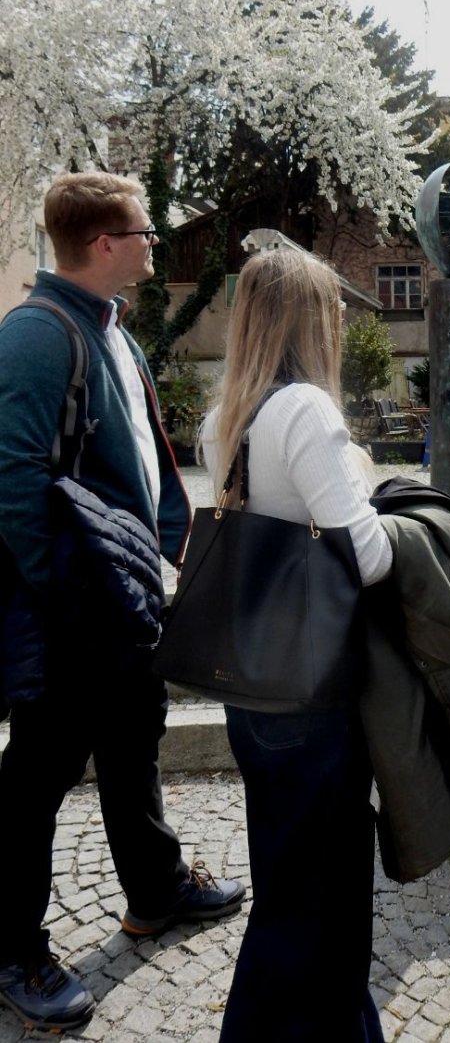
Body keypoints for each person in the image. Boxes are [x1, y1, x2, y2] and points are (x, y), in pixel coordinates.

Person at [0, 172, 245, 1033]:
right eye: (143, 232)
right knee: (36, 779)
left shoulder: (111, 329)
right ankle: (11, 948)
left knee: (133, 743)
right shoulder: (35, 335)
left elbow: (142, 455)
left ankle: (155, 888)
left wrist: (173, 550)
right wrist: (65, 599)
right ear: (105, 243)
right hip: (72, 611)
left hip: (125, 598)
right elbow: (12, 480)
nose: (153, 243)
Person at [200, 247, 391, 1043]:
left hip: (255, 686)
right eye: (333, 306)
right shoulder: (307, 410)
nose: (342, 318)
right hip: (312, 694)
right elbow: (366, 554)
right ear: (308, 320)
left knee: (293, 889)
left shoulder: (229, 414)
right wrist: (369, 483)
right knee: (321, 906)